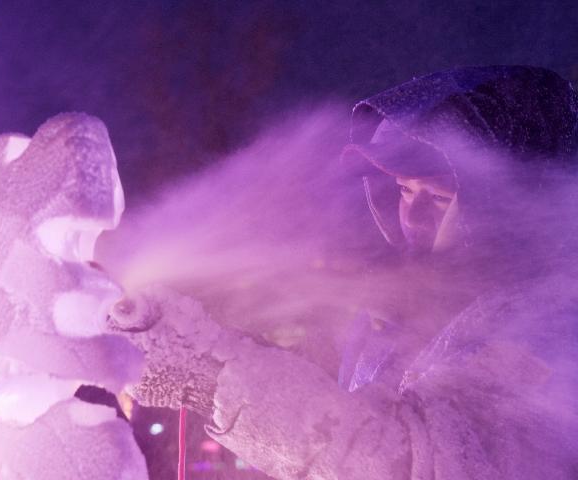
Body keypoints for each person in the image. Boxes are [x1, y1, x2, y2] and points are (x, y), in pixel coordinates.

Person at [108, 65, 578, 479]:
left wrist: (212, 375)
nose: (411, 216)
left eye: (437, 197)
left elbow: (409, 461)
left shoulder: (549, 326)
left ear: (509, 205)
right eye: (404, 190)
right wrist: (205, 340)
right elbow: (332, 402)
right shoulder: (404, 311)